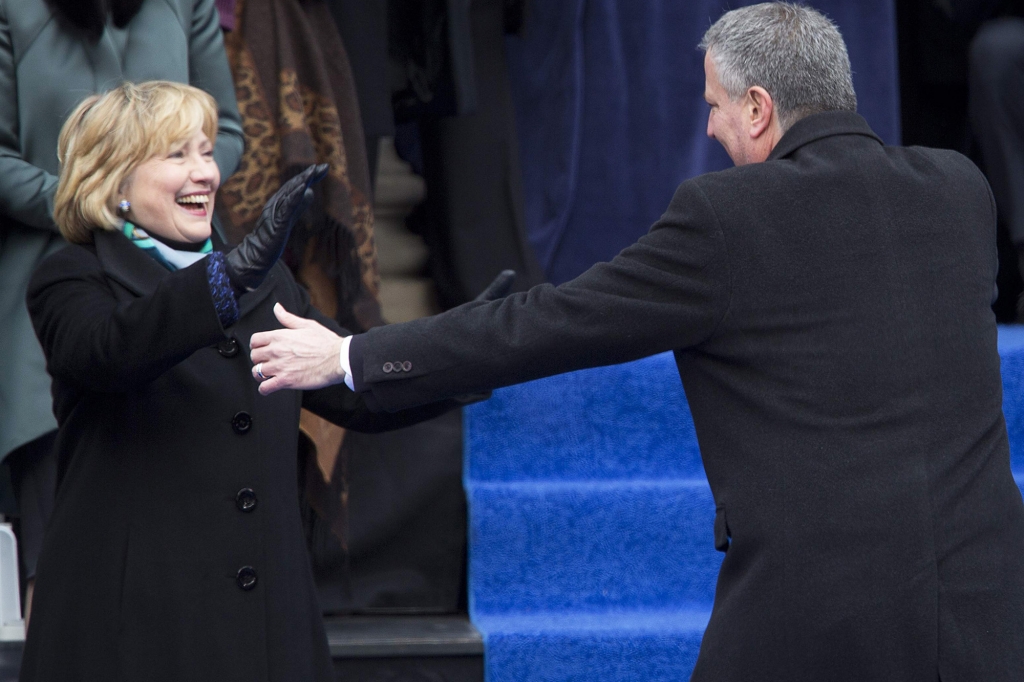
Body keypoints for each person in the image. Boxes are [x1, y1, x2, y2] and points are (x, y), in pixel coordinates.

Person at [249, 3, 1024, 680]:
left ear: (758, 108)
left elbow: (545, 324)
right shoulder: (959, 191)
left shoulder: (728, 220)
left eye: (715, 107)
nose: (712, 126)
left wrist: (351, 356)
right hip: (987, 606)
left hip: (818, 616)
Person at [22, 81, 467, 682]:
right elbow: (112, 351)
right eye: (176, 155)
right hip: (133, 622)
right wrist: (229, 276)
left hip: (261, 619)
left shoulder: (265, 284)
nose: (204, 172)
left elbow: (348, 385)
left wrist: (464, 355)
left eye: (206, 152)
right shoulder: (74, 277)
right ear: (114, 180)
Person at [0, 0, 245, 619]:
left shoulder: (182, 4)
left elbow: (228, 132)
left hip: (176, 276)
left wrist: (176, 187)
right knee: (60, 555)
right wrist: (93, 197)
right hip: (48, 266)